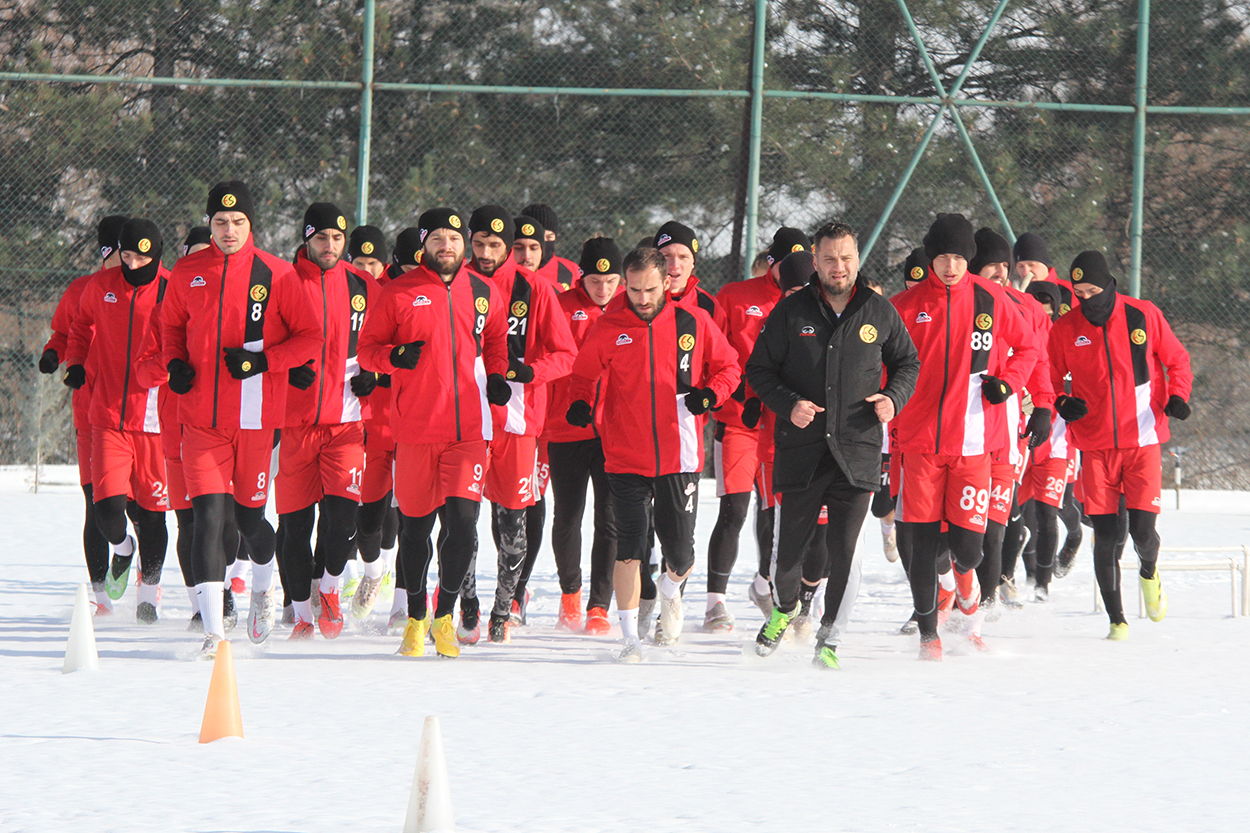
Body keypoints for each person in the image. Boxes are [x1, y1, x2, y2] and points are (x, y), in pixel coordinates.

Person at [746, 221, 919, 668]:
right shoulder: (790, 312)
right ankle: (784, 611)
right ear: (815, 261)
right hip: (801, 450)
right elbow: (759, 371)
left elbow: (907, 363)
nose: (837, 267)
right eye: (828, 258)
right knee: (787, 557)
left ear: (857, 259)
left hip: (857, 450)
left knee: (844, 552)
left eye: (845, 258)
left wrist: (893, 398)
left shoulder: (879, 311)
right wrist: (788, 406)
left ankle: (831, 639)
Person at [161, 180, 321, 657]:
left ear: (251, 223)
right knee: (207, 518)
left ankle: (263, 588)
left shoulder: (277, 274)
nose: (229, 230)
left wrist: (262, 361)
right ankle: (214, 630)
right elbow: (170, 328)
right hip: (201, 422)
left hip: (254, 419)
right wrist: (175, 364)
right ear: (209, 224)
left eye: (238, 222)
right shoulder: (187, 272)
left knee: (251, 519)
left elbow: (310, 338)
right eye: (220, 222)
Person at [565, 247, 739, 661]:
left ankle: (669, 591)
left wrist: (710, 395)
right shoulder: (610, 326)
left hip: (680, 456)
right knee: (630, 548)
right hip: (624, 455)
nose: (642, 298)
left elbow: (729, 366)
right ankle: (630, 638)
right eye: (635, 288)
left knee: (680, 553)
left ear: (667, 283)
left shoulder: (693, 322)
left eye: (651, 289)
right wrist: (579, 401)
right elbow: (583, 374)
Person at [357, 207, 510, 658]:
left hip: (467, 432)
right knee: (416, 529)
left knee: (463, 522)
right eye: (438, 238)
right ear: (424, 244)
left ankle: (444, 615)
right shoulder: (398, 292)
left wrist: (498, 374)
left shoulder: (484, 291)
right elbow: (367, 350)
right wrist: (393, 359)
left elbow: (498, 340)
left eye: (455, 238)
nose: (448, 245)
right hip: (416, 430)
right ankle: (416, 617)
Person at [890, 213, 1040, 660]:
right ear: (930, 258)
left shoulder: (992, 299)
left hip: (974, 445)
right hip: (918, 445)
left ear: (968, 259)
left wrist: (1008, 382)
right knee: (920, 548)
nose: (951, 266)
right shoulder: (902, 306)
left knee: (967, 550)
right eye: (942, 257)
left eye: (958, 257)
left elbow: (1029, 347)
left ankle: (969, 595)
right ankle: (928, 635)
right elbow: (881, 366)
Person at [1047, 250, 1192, 639]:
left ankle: (1149, 571)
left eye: (1094, 290)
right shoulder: (1065, 328)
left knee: (1143, 533)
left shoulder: (1141, 314)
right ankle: (1117, 620)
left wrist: (1178, 395)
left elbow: (1177, 360)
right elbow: (1047, 378)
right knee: (1107, 534)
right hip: (1094, 446)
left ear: (1109, 284)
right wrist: (1061, 401)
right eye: (1079, 292)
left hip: (1143, 438)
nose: (1087, 299)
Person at [465, 205, 575, 643]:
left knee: (513, 523)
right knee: (461, 518)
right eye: (482, 244)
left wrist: (532, 371)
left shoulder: (536, 290)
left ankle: (504, 606)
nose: (489, 252)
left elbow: (565, 355)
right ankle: (466, 602)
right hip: (465, 422)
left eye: (499, 245)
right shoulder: (456, 284)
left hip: (516, 422)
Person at [274, 202, 378, 641]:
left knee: (342, 517)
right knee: (294, 526)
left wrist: (376, 371)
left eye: (337, 238)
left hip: (347, 423)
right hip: (295, 424)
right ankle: (300, 613)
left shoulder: (363, 285)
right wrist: (284, 367)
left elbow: (384, 337)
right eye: (321, 238)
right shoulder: (283, 282)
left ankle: (331, 590)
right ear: (307, 238)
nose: (330, 246)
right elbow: (262, 341)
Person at [64, 218, 171, 623]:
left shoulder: (170, 288)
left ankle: (149, 594)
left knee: (153, 514)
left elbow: (186, 341)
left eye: (142, 256)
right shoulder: (101, 287)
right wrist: (76, 363)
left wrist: (168, 371)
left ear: (157, 255)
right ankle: (123, 549)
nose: (133, 262)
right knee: (106, 509)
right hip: (108, 416)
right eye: (127, 255)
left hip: (154, 421)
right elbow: (80, 326)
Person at [707, 226, 809, 632]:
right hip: (739, 422)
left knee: (775, 513)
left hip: (783, 426)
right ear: (772, 263)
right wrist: (735, 402)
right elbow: (714, 358)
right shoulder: (735, 296)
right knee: (734, 509)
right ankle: (715, 601)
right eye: (786, 264)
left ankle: (765, 585)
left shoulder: (809, 300)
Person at [40, 214, 127, 614]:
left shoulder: (155, 289)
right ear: (107, 253)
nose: (128, 260)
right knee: (95, 503)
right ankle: (101, 596)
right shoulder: (83, 290)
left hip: (137, 418)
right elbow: (62, 332)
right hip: (89, 417)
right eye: (119, 252)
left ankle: (146, 576)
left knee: (138, 505)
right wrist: (52, 355)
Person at [968, 227, 1054, 618]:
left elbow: (1040, 361)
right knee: (956, 532)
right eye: (992, 265)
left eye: (1006, 265)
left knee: (995, 524)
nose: (1002, 272)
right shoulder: (957, 305)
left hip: (1006, 433)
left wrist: (1043, 408)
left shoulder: (1028, 308)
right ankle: (948, 595)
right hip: (958, 432)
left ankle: (981, 611)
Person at [543, 238, 624, 634]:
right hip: (566, 426)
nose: (604, 290)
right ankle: (570, 594)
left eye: (611, 281)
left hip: (614, 431)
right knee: (568, 515)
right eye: (595, 280)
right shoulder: (560, 306)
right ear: (581, 277)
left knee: (609, 519)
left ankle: (599, 606)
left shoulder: (631, 306)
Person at [345, 224, 400, 619]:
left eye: (373, 263)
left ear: (385, 265)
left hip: (391, 421)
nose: (366, 269)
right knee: (361, 515)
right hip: (352, 420)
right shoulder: (343, 293)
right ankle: (371, 570)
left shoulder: (392, 299)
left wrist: (378, 374)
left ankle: (388, 578)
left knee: (393, 510)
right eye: (359, 261)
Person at [520, 202, 580, 292]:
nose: (544, 242)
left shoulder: (570, 270)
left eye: (549, 237)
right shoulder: (510, 268)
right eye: (540, 237)